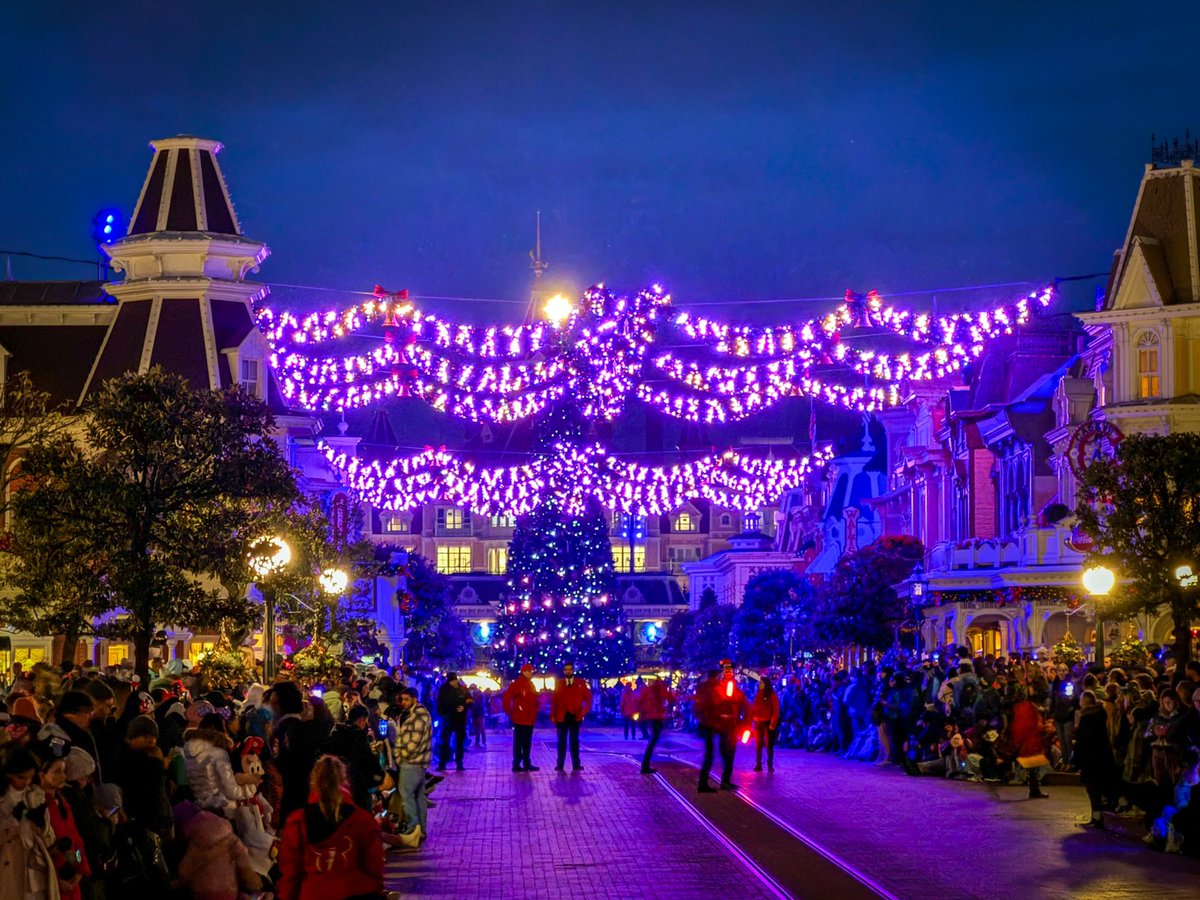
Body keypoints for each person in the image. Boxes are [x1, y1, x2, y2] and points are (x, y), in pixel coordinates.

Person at [276, 755, 384, 900]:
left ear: (314, 782)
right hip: (355, 892)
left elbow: (290, 873)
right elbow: (374, 868)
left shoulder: (297, 821)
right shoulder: (363, 820)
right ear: (344, 781)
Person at [39, 755, 91, 900]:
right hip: (51, 881)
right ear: (42, 775)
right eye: (57, 772)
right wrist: (55, 878)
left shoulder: (63, 803)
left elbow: (75, 842)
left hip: (70, 880)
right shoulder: (39, 807)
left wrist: (79, 869)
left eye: (63, 771)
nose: (63, 776)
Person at [697, 660, 748, 793]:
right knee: (725, 752)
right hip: (723, 724)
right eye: (726, 670)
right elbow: (723, 703)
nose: (728, 672)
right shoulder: (718, 687)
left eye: (730, 670)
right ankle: (720, 782)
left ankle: (719, 781)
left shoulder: (727, 687)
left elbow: (742, 703)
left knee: (721, 753)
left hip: (721, 724)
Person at [324, 705, 384, 811]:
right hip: (356, 784)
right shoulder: (357, 735)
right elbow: (366, 759)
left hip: (338, 782)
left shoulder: (336, 731)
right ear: (362, 720)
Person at [1073, 689, 1119, 828]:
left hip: (1091, 758)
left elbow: (1082, 740)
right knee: (1097, 788)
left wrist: (1076, 759)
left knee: (1093, 789)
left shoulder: (1087, 718)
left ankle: (1097, 817)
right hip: (1102, 756)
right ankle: (1097, 816)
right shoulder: (1100, 715)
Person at [392, 688, 432, 846]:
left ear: (414, 699)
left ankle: (412, 828)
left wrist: (400, 756)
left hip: (412, 761)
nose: (403, 703)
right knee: (418, 796)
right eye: (402, 700)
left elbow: (413, 741)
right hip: (419, 761)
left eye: (407, 699)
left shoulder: (418, 715)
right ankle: (420, 829)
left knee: (407, 795)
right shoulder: (417, 714)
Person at [1008, 686, 1051, 800]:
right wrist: (1042, 728)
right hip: (1030, 741)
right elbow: (1029, 724)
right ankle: (1034, 790)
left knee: (1033, 769)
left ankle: (1034, 790)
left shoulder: (1021, 707)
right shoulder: (1026, 707)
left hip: (1029, 740)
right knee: (1033, 768)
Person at [551, 663, 591, 772]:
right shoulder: (559, 683)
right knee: (561, 741)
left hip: (575, 716)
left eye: (570, 669)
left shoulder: (580, 683)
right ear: (563, 671)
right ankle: (560, 764)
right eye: (566, 670)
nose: (568, 672)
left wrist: (583, 712)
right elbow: (554, 701)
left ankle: (576, 764)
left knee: (574, 741)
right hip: (562, 717)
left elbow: (588, 698)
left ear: (573, 670)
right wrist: (553, 715)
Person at [502, 664, 540, 773]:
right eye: (527, 671)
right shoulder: (517, 684)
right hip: (520, 718)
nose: (530, 673)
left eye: (531, 671)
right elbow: (507, 699)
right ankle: (518, 763)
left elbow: (533, 700)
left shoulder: (530, 684)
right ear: (523, 672)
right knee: (520, 742)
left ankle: (525, 762)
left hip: (529, 718)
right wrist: (511, 712)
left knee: (527, 742)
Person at [435, 673, 472, 772]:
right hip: (448, 719)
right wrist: (443, 714)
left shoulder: (463, 689)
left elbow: (470, 701)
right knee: (445, 742)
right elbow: (440, 703)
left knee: (459, 742)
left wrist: (464, 707)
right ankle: (442, 763)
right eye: (452, 681)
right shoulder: (444, 690)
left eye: (455, 680)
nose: (454, 683)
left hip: (460, 719)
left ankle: (459, 762)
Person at [638, 675, 674, 775]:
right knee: (654, 740)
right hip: (656, 716)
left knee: (653, 739)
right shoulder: (661, 689)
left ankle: (645, 765)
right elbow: (669, 698)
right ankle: (645, 766)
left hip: (650, 716)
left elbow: (640, 700)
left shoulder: (648, 689)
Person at [751, 677, 781, 772]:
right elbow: (754, 707)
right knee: (758, 744)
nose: (760, 684)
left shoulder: (771, 695)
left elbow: (775, 710)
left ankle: (769, 764)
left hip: (767, 723)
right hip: (758, 723)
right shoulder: (758, 694)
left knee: (769, 745)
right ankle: (758, 764)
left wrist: (773, 723)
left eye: (761, 683)